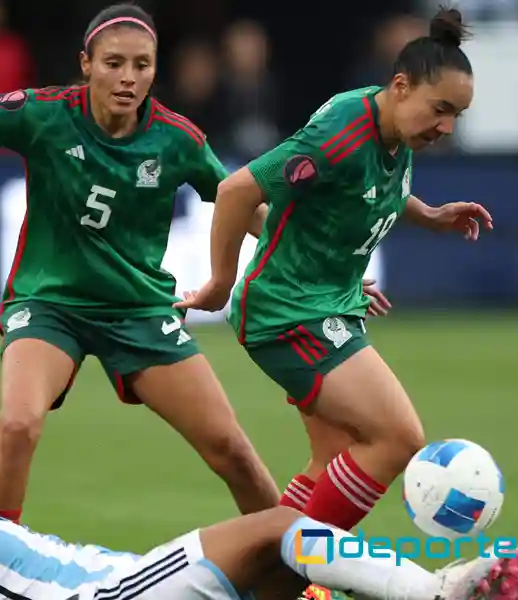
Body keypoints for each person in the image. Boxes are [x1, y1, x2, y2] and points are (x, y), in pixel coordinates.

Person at [0, 3, 290, 524]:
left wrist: (316, 262)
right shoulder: (43, 114)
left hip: (138, 309)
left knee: (231, 449)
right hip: (50, 305)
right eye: (114, 62)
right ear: (86, 64)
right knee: (18, 426)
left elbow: (244, 207)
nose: (128, 77)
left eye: (142, 65)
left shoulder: (177, 138)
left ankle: (294, 579)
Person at [0, 346, 518, 600]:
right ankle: (439, 592)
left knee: (283, 581)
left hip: (125, 583)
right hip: (120, 594)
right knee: (282, 530)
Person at [176, 6, 493, 544]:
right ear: (399, 86)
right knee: (397, 437)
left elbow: (370, 192)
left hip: (325, 301)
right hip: (289, 312)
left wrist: (428, 215)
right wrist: (219, 284)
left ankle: (265, 572)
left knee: (332, 463)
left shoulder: (396, 134)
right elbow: (236, 192)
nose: (446, 127)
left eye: (457, 116)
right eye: (440, 109)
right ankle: (290, 570)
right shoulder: (341, 131)